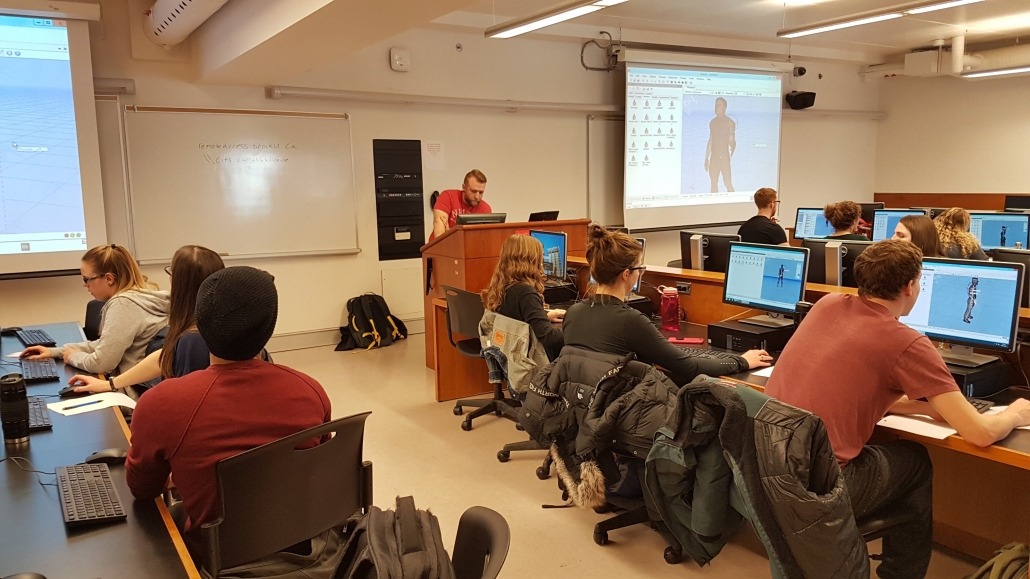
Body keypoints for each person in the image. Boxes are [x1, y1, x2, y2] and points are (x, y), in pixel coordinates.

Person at [765, 240, 1030, 578]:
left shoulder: (828, 304)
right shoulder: (906, 342)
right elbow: (979, 433)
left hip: (769, 468)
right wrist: (1015, 414)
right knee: (915, 462)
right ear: (909, 286)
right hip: (822, 486)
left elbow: (854, 387)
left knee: (892, 461)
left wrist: (926, 408)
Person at [126, 266, 331, 535]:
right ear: (269, 326)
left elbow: (143, 489)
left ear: (200, 320)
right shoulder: (310, 391)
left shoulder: (159, 403)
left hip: (214, 551)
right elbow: (318, 468)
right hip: (302, 540)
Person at [562, 224, 770, 385]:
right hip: (629, 418)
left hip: (590, 412)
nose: (640, 273)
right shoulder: (629, 321)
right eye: (640, 268)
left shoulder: (574, 312)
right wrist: (742, 361)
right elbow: (688, 366)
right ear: (627, 274)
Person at [66, 245, 225, 393]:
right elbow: (164, 358)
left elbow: (181, 388)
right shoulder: (213, 319)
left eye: (171, 272)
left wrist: (109, 384)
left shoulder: (192, 338)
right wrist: (110, 384)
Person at [21, 244, 168, 375]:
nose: (85, 285)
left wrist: (72, 357)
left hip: (130, 392)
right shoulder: (143, 295)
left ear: (109, 279)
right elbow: (106, 345)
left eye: (86, 279)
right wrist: (56, 352)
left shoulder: (124, 305)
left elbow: (102, 362)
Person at [481, 235, 564, 361]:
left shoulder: (502, 285)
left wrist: (544, 316)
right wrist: (575, 330)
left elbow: (518, 321)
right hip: (534, 361)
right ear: (531, 261)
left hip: (511, 357)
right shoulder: (525, 293)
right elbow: (550, 338)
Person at [430, 169, 492, 239]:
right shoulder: (448, 196)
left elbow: (480, 238)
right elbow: (439, 233)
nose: (477, 197)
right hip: (438, 248)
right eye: (473, 191)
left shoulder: (485, 209)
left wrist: (450, 233)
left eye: (481, 192)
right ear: (464, 187)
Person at [705, 97, 736, 193]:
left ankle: (734, 205)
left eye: (719, 105)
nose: (716, 107)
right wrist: (706, 158)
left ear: (725, 107)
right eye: (716, 105)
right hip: (714, 158)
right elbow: (711, 141)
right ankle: (713, 205)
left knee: (727, 183)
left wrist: (733, 145)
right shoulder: (712, 122)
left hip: (725, 157)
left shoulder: (730, 122)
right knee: (713, 183)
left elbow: (732, 140)